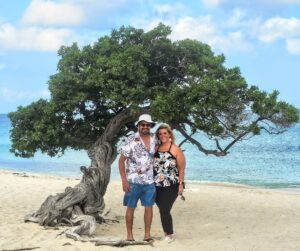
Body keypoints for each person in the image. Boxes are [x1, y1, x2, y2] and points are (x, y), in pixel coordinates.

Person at [118, 114, 157, 242]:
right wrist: (124, 181)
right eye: (143, 124)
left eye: (148, 124)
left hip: (150, 181)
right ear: (139, 125)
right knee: (131, 208)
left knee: (149, 208)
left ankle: (147, 235)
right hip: (133, 181)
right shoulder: (130, 139)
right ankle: (129, 236)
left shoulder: (154, 138)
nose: (145, 126)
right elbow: (121, 161)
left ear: (150, 126)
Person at [154, 123, 186, 243]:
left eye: (165, 133)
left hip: (172, 185)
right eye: (160, 133)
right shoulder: (156, 148)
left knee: (164, 209)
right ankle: (167, 232)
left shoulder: (175, 149)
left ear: (169, 134)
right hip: (156, 185)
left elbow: (181, 168)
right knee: (162, 209)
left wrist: (181, 184)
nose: (162, 135)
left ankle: (169, 234)